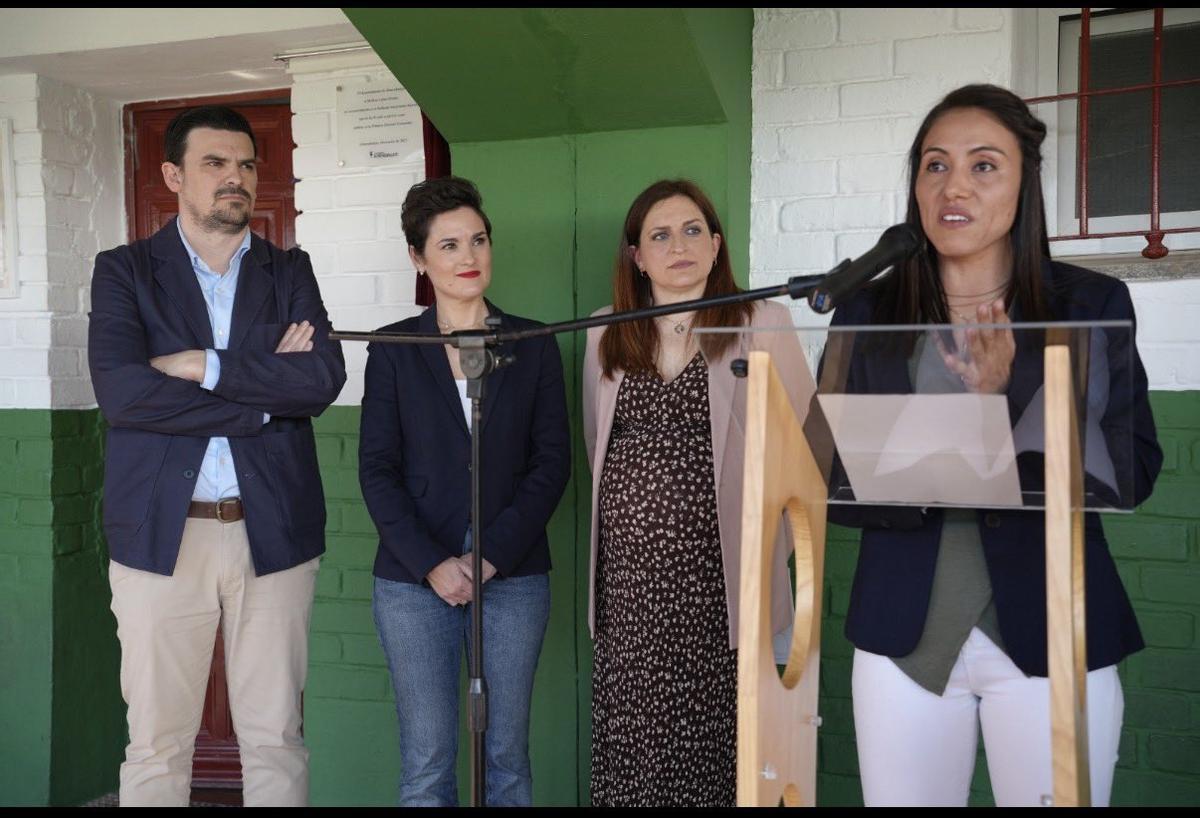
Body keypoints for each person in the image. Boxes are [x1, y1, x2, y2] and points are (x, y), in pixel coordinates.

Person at [824, 84, 1162, 807]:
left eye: (984, 166)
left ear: (1023, 184)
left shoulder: (1088, 306)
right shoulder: (865, 309)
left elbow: (1132, 468)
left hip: (1053, 628)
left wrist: (1001, 403)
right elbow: (830, 475)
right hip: (902, 638)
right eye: (935, 165)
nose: (954, 186)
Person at [88, 105, 346, 806]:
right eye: (215, 163)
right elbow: (125, 395)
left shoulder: (289, 270)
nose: (236, 178)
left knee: (276, 739)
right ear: (173, 175)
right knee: (157, 744)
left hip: (276, 531)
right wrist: (266, 399)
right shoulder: (126, 272)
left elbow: (321, 380)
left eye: (246, 164)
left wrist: (202, 362)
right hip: (161, 534)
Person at [582, 179, 813, 806]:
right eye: (659, 234)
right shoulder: (607, 329)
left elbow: (807, 450)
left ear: (716, 246)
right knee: (636, 744)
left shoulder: (762, 319)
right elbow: (597, 440)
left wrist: (773, 556)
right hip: (629, 589)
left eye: (691, 231)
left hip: (723, 586)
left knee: (719, 747)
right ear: (636, 255)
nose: (676, 245)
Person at [359, 176, 571, 806]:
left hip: (513, 571)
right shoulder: (394, 347)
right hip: (411, 580)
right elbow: (377, 469)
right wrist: (431, 563)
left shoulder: (531, 342)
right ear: (419, 259)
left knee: (507, 755)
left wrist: (490, 556)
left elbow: (551, 464)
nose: (468, 257)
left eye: (477, 240)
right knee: (426, 762)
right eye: (448, 245)